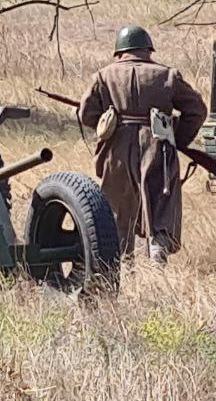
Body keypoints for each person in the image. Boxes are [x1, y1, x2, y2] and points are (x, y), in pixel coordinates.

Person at [78, 26, 207, 265]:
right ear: (148, 49)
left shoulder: (103, 76)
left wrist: (110, 124)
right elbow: (197, 110)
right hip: (158, 147)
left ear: (119, 52)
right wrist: (178, 138)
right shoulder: (168, 75)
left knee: (118, 208)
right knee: (161, 203)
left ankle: (119, 265)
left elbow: (86, 114)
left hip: (115, 149)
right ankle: (158, 255)